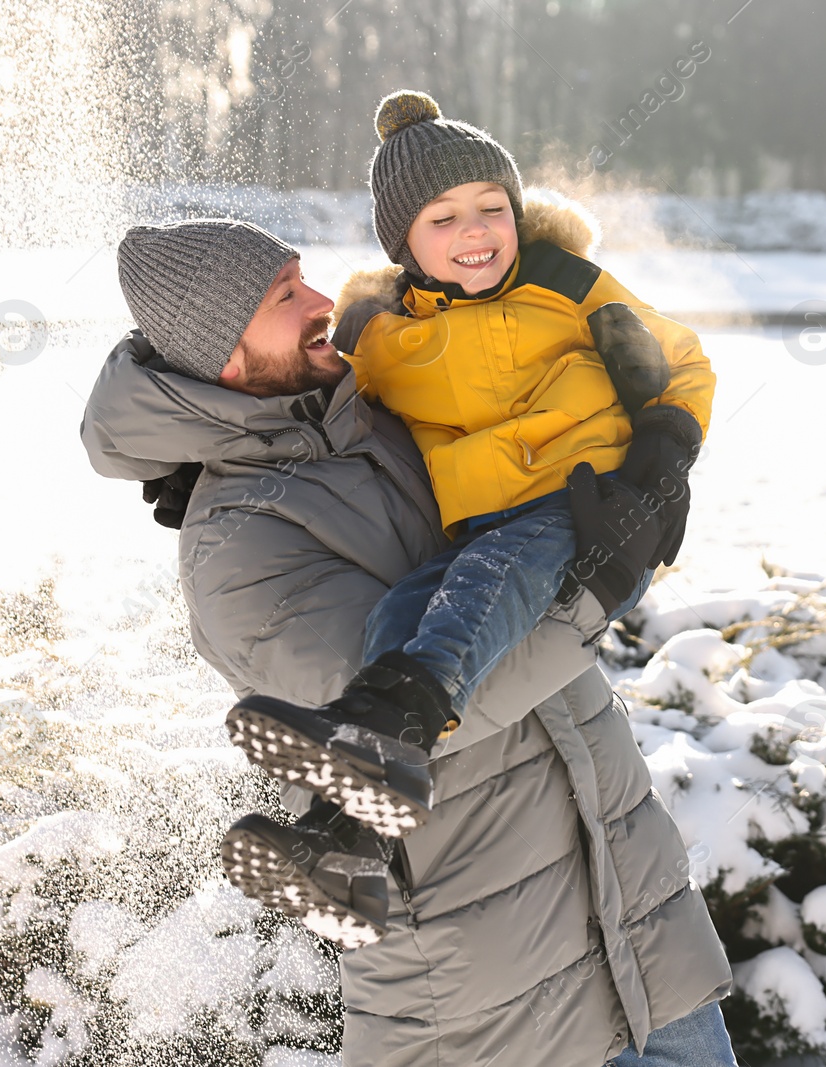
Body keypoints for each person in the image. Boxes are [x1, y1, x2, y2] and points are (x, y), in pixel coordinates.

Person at [84, 218, 737, 1064]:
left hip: (639, 931)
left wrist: (643, 437)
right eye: (285, 297)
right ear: (225, 362)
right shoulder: (234, 548)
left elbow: (514, 351)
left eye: (302, 276)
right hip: (488, 1008)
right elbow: (420, 722)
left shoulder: (386, 411)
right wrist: (601, 586)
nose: (321, 301)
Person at [223, 89, 713, 843]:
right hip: (478, 527)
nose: (475, 231)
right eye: (443, 219)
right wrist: (201, 460)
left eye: (492, 207)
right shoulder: (382, 339)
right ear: (403, 244)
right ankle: (344, 834)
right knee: (398, 612)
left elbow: (679, 359)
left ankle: (404, 709)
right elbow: (316, 409)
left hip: (589, 506)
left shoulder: (567, 285)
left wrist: (664, 456)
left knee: (483, 585)